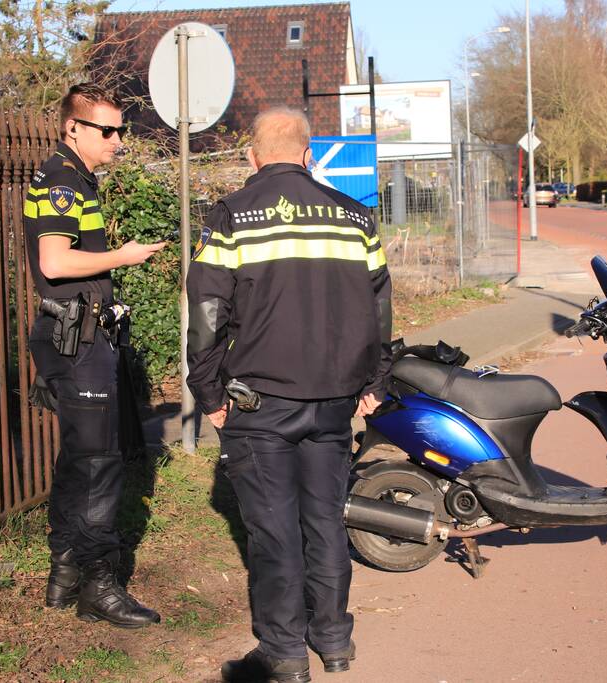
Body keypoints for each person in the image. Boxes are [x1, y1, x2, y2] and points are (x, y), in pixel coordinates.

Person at [186, 107, 391, 682]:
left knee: (274, 530)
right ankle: (333, 639)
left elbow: (205, 313)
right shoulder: (355, 217)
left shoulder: (230, 218)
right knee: (324, 521)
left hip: (259, 404)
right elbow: (379, 308)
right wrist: (376, 379)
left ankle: (283, 653)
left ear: (251, 156)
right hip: (333, 403)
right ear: (307, 154)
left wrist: (207, 391)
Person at [25, 83, 165, 628]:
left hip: (78, 334)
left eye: (121, 130)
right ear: (73, 128)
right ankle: (99, 586)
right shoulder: (62, 179)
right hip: (76, 339)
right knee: (100, 464)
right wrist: (121, 257)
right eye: (106, 130)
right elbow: (56, 263)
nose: (117, 140)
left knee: (80, 460)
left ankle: (64, 574)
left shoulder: (74, 177)